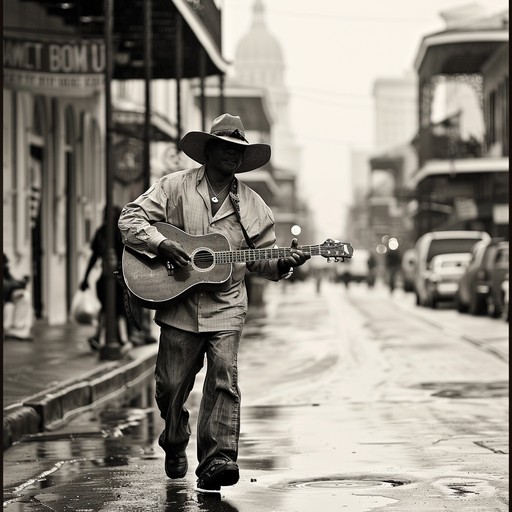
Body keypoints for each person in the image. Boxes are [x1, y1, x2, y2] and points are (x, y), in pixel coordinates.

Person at [118, 113, 310, 492]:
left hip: (227, 306)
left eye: (240, 150)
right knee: (170, 387)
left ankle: (217, 459)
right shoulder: (173, 187)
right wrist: (161, 243)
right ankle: (174, 439)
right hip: (178, 304)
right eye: (226, 147)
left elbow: (263, 261)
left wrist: (283, 264)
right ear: (208, 151)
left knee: (224, 379)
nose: (233, 155)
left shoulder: (255, 207)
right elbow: (130, 218)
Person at [79, 206, 131, 351]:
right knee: (120, 310)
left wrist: (85, 278)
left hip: (105, 277)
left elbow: (93, 257)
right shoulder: (122, 232)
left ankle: (99, 337)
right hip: (120, 278)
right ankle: (123, 339)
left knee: (106, 309)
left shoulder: (101, 232)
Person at [3, 254, 33, 341]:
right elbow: (6, 286)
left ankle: (19, 329)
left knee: (25, 296)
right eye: (5, 263)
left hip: (8, 300)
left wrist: (22, 282)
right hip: (6, 300)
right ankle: (16, 328)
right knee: (10, 306)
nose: (7, 266)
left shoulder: (6, 272)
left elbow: (11, 282)